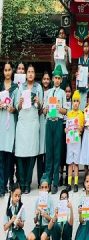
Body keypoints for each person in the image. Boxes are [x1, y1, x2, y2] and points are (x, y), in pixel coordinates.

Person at [15, 64, 42, 194]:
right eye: (28, 71)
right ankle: (22, 182)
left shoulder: (39, 87)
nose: (30, 74)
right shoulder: (21, 87)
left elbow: (42, 109)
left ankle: (28, 184)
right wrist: (19, 103)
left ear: (35, 74)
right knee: (20, 154)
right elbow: (17, 107)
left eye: (32, 71)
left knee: (31, 155)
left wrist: (39, 101)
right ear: (26, 74)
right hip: (22, 123)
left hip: (32, 123)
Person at [43, 65, 68, 194]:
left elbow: (66, 111)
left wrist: (59, 108)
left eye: (59, 78)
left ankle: (55, 183)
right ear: (52, 79)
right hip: (49, 122)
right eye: (55, 78)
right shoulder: (47, 93)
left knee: (57, 152)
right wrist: (45, 109)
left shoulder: (63, 93)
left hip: (58, 122)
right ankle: (47, 180)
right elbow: (43, 110)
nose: (57, 80)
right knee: (49, 153)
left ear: (61, 80)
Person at [0, 63, 18, 196]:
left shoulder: (15, 88)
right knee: (1, 157)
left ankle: (11, 183)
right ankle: (1, 185)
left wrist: (13, 109)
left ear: (12, 71)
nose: (7, 72)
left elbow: (18, 106)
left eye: (9, 70)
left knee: (10, 158)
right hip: (1, 124)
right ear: (3, 72)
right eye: (5, 70)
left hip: (11, 124)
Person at [65, 90, 84, 193]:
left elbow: (81, 128)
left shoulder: (81, 114)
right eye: (74, 101)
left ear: (79, 103)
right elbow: (67, 127)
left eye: (77, 101)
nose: (75, 103)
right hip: (69, 141)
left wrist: (79, 129)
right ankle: (69, 183)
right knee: (69, 163)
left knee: (75, 163)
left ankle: (76, 183)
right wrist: (66, 130)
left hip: (77, 141)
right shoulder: (69, 113)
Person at [27, 175, 55, 240]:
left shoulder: (50, 200)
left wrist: (45, 215)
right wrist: (36, 215)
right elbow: (35, 221)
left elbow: (52, 220)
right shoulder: (37, 200)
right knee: (30, 237)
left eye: (46, 187)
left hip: (47, 226)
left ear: (48, 188)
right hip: (38, 226)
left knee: (43, 237)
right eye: (42, 187)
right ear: (40, 188)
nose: (44, 189)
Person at [37, 72, 51, 188]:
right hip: (40, 122)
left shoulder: (52, 92)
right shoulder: (38, 91)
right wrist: (42, 109)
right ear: (42, 80)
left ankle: (47, 179)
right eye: (44, 79)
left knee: (47, 152)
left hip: (49, 122)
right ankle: (39, 180)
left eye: (48, 79)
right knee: (40, 152)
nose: (46, 81)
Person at [75, 171, 89, 240]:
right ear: (84, 183)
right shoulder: (82, 197)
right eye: (87, 181)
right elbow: (81, 220)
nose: (88, 184)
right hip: (83, 225)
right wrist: (80, 213)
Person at [76, 39, 89, 109]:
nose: (86, 48)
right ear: (82, 48)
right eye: (84, 46)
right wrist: (77, 74)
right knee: (81, 106)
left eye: (87, 46)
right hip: (81, 86)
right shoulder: (80, 59)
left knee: (88, 106)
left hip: (88, 85)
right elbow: (79, 71)